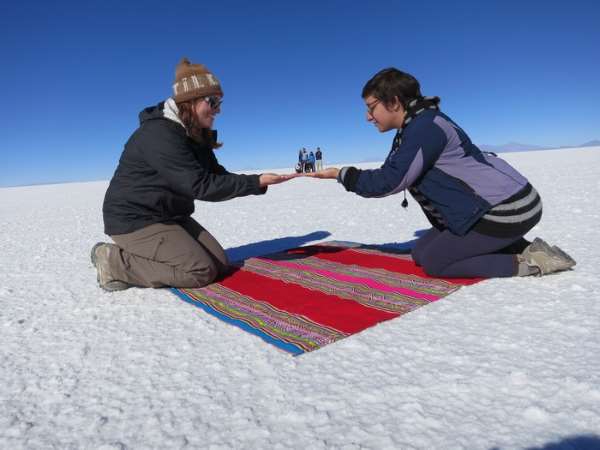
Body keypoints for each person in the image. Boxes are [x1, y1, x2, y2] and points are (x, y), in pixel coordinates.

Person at [305, 67, 575, 278]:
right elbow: (396, 171)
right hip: (494, 207)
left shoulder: (425, 128)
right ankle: (520, 245)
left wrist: (342, 175)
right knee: (421, 252)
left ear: (394, 102)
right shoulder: (417, 124)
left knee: (437, 262)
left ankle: (531, 262)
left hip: (506, 209)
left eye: (371, 106)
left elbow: (390, 181)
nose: (368, 117)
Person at [92, 57, 294, 291]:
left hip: (169, 215)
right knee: (200, 271)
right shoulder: (160, 134)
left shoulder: (194, 133)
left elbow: (215, 174)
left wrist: (258, 182)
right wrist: (254, 182)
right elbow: (200, 185)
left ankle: (156, 252)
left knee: (220, 263)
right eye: (213, 101)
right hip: (135, 219)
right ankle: (113, 261)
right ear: (191, 100)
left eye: (220, 102)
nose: (218, 109)